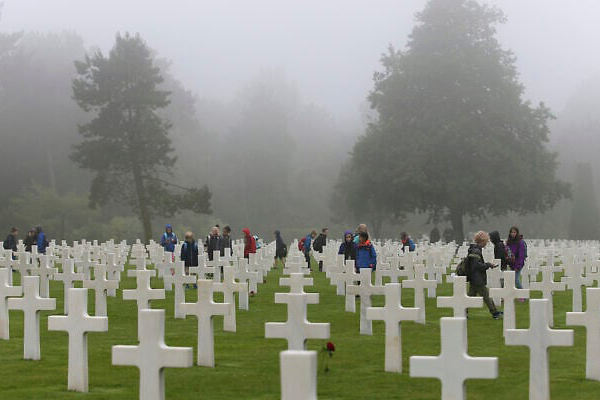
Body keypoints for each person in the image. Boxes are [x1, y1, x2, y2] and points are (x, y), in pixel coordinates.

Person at [466, 231, 502, 319]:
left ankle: (462, 312)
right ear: (482, 241)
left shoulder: (475, 249)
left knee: (470, 297)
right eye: (486, 241)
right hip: (477, 278)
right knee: (486, 296)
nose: (486, 243)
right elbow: (476, 265)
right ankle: (495, 313)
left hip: (474, 277)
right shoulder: (476, 251)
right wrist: (488, 265)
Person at [506, 226, 526, 295]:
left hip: (518, 264)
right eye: (512, 232)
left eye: (514, 232)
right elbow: (507, 252)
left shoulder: (520, 242)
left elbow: (521, 255)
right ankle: (514, 294)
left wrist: (518, 266)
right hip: (512, 264)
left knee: (516, 279)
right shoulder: (509, 242)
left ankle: (522, 295)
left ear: (517, 233)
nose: (513, 234)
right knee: (512, 280)